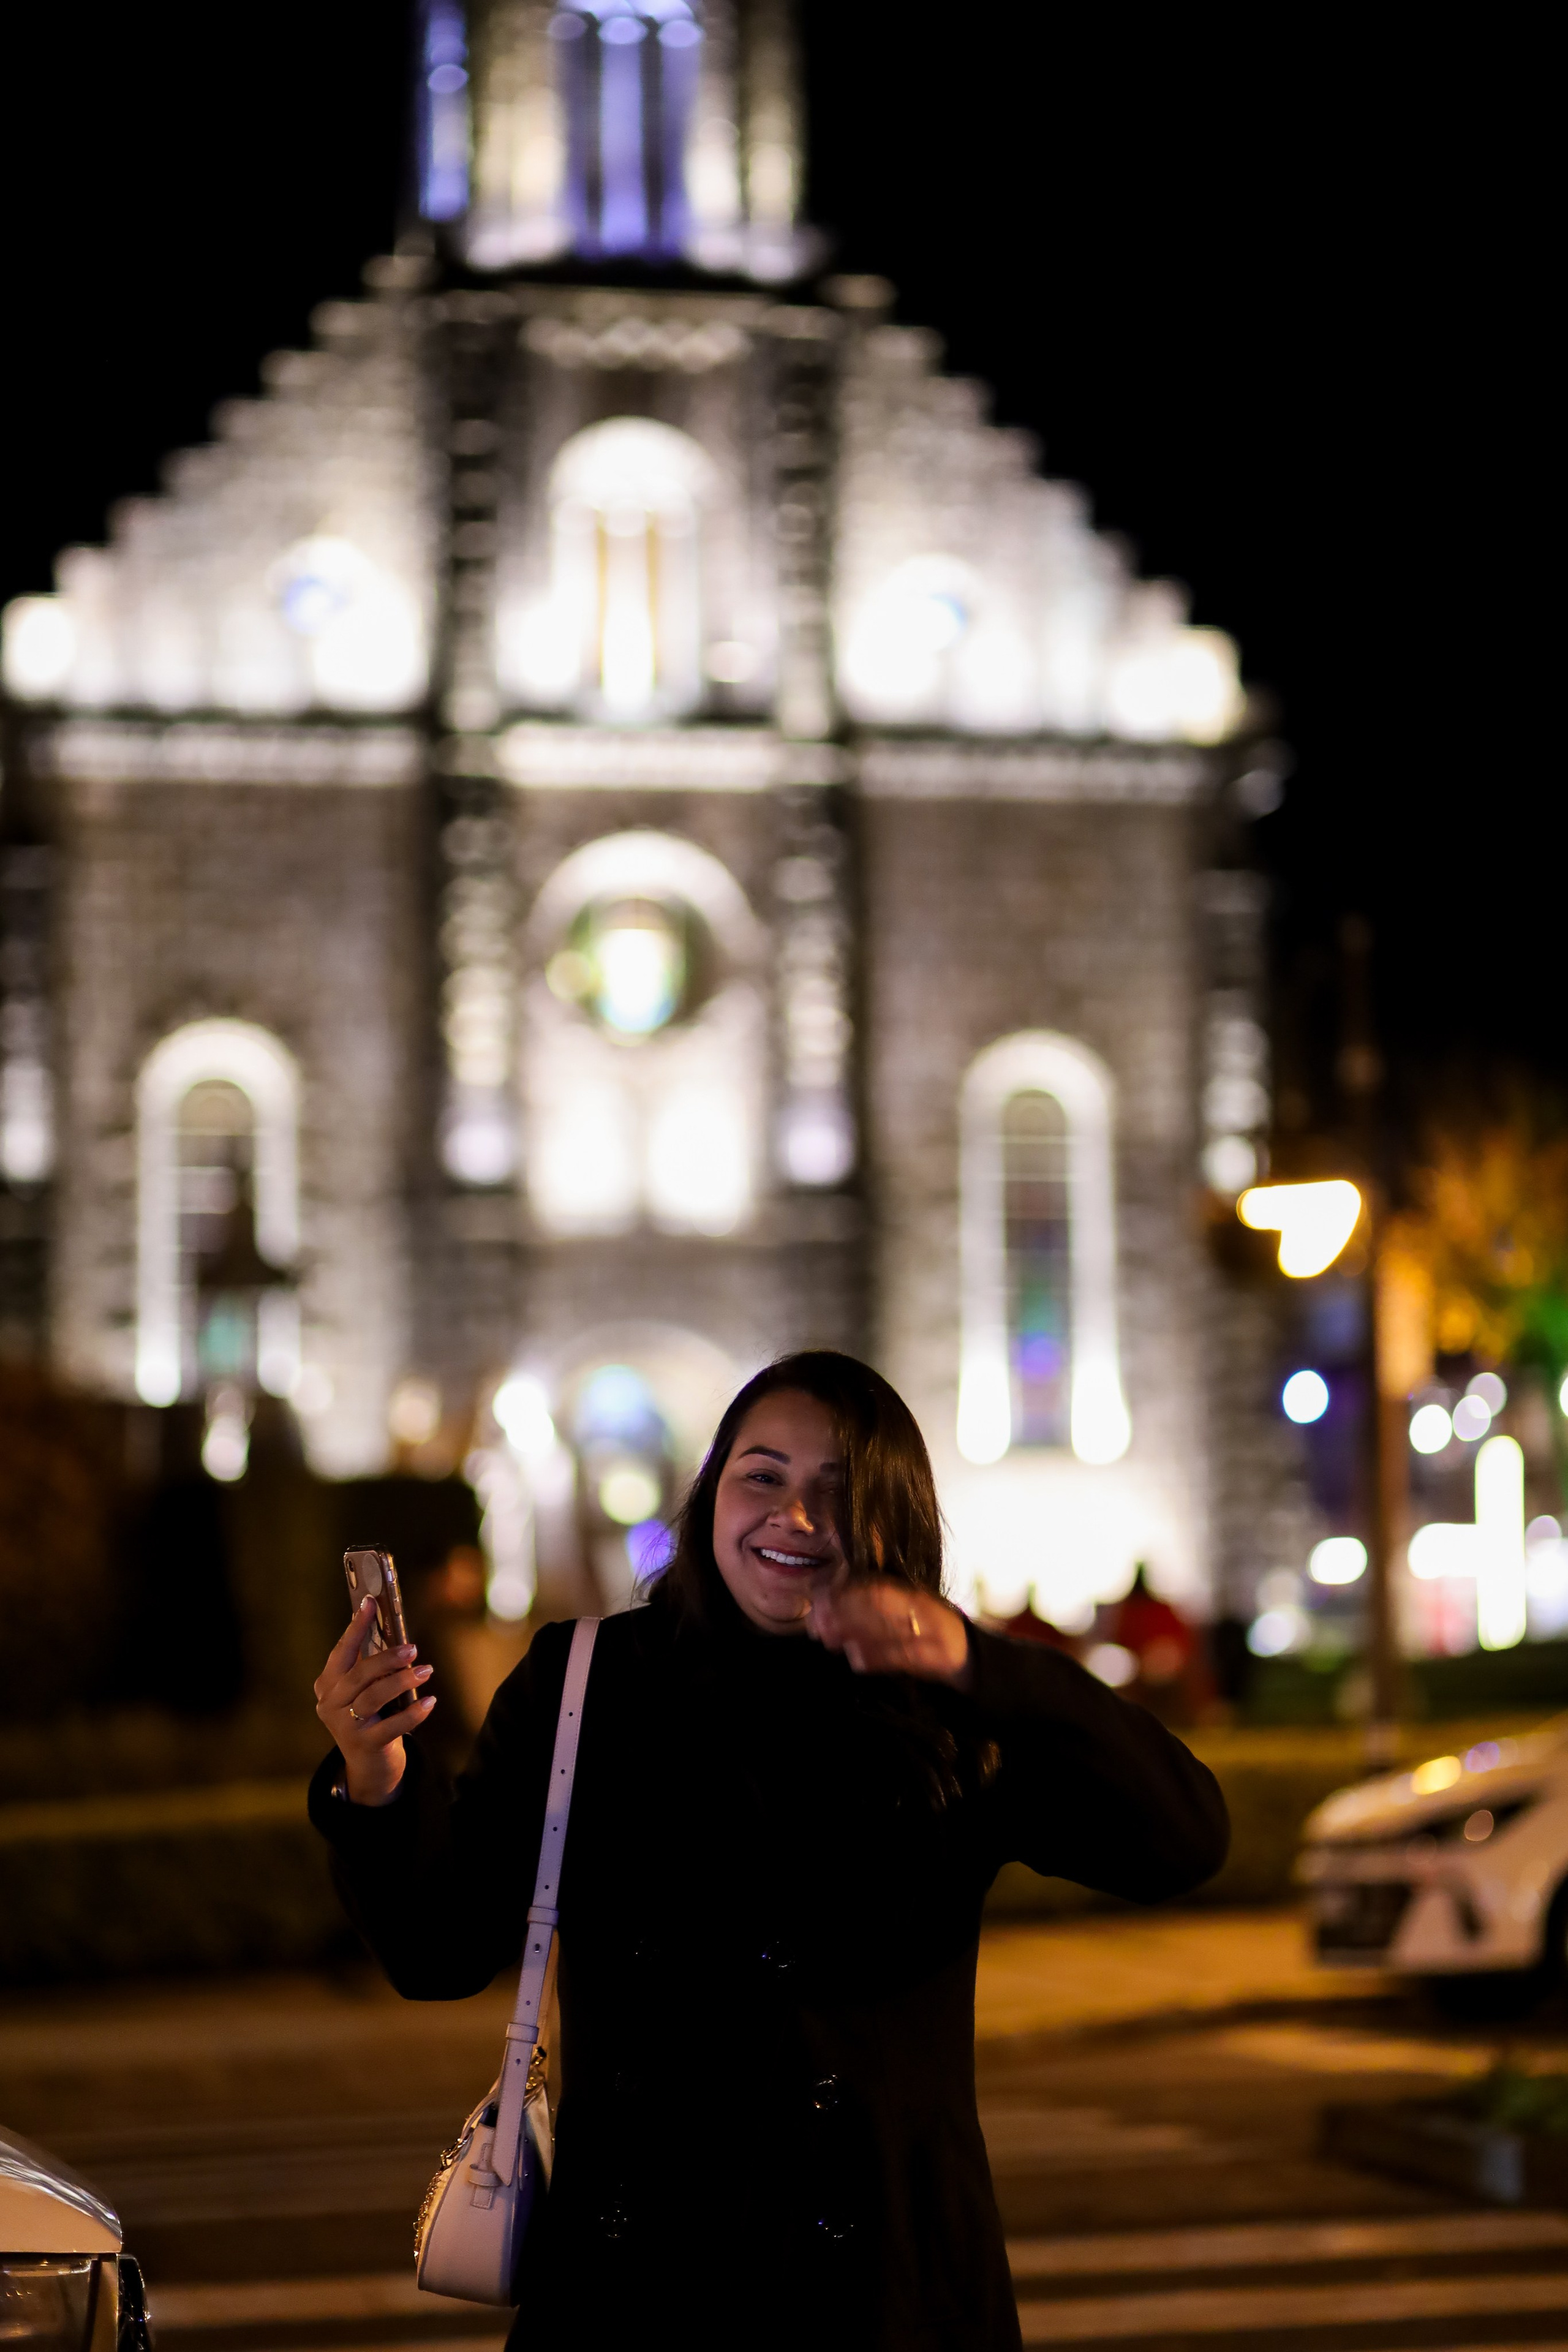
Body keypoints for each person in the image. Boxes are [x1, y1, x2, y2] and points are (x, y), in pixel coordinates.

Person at [309, 1352, 1227, 2351]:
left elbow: (1181, 1839)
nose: (793, 1518)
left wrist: (985, 1662)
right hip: (636, 2291)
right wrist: (379, 1771)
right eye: (763, 1476)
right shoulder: (587, 1684)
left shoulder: (944, 1711)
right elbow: (439, 1950)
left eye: (836, 1492)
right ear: (713, 1492)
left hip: (883, 2294)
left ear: (895, 1522)